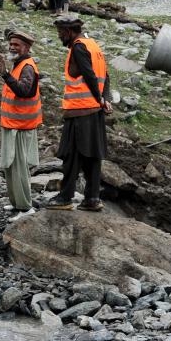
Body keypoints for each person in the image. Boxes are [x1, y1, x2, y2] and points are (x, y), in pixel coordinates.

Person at [46, 14, 112, 212]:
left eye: (60, 32)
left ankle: (65, 197)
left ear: (69, 31)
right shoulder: (93, 45)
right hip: (93, 111)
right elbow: (105, 76)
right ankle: (92, 198)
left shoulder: (78, 47)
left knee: (71, 154)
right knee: (93, 155)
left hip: (79, 111)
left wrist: (99, 98)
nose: (59, 36)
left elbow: (89, 75)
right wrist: (104, 99)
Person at [0, 30, 42, 220]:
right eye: (11, 44)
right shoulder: (18, 65)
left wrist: (5, 75)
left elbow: (24, 91)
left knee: (19, 168)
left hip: (22, 127)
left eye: (17, 45)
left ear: (27, 48)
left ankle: (25, 207)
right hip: (13, 124)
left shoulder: (27, 67)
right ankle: (16, 203)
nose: (12, 47)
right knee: (11, 167)